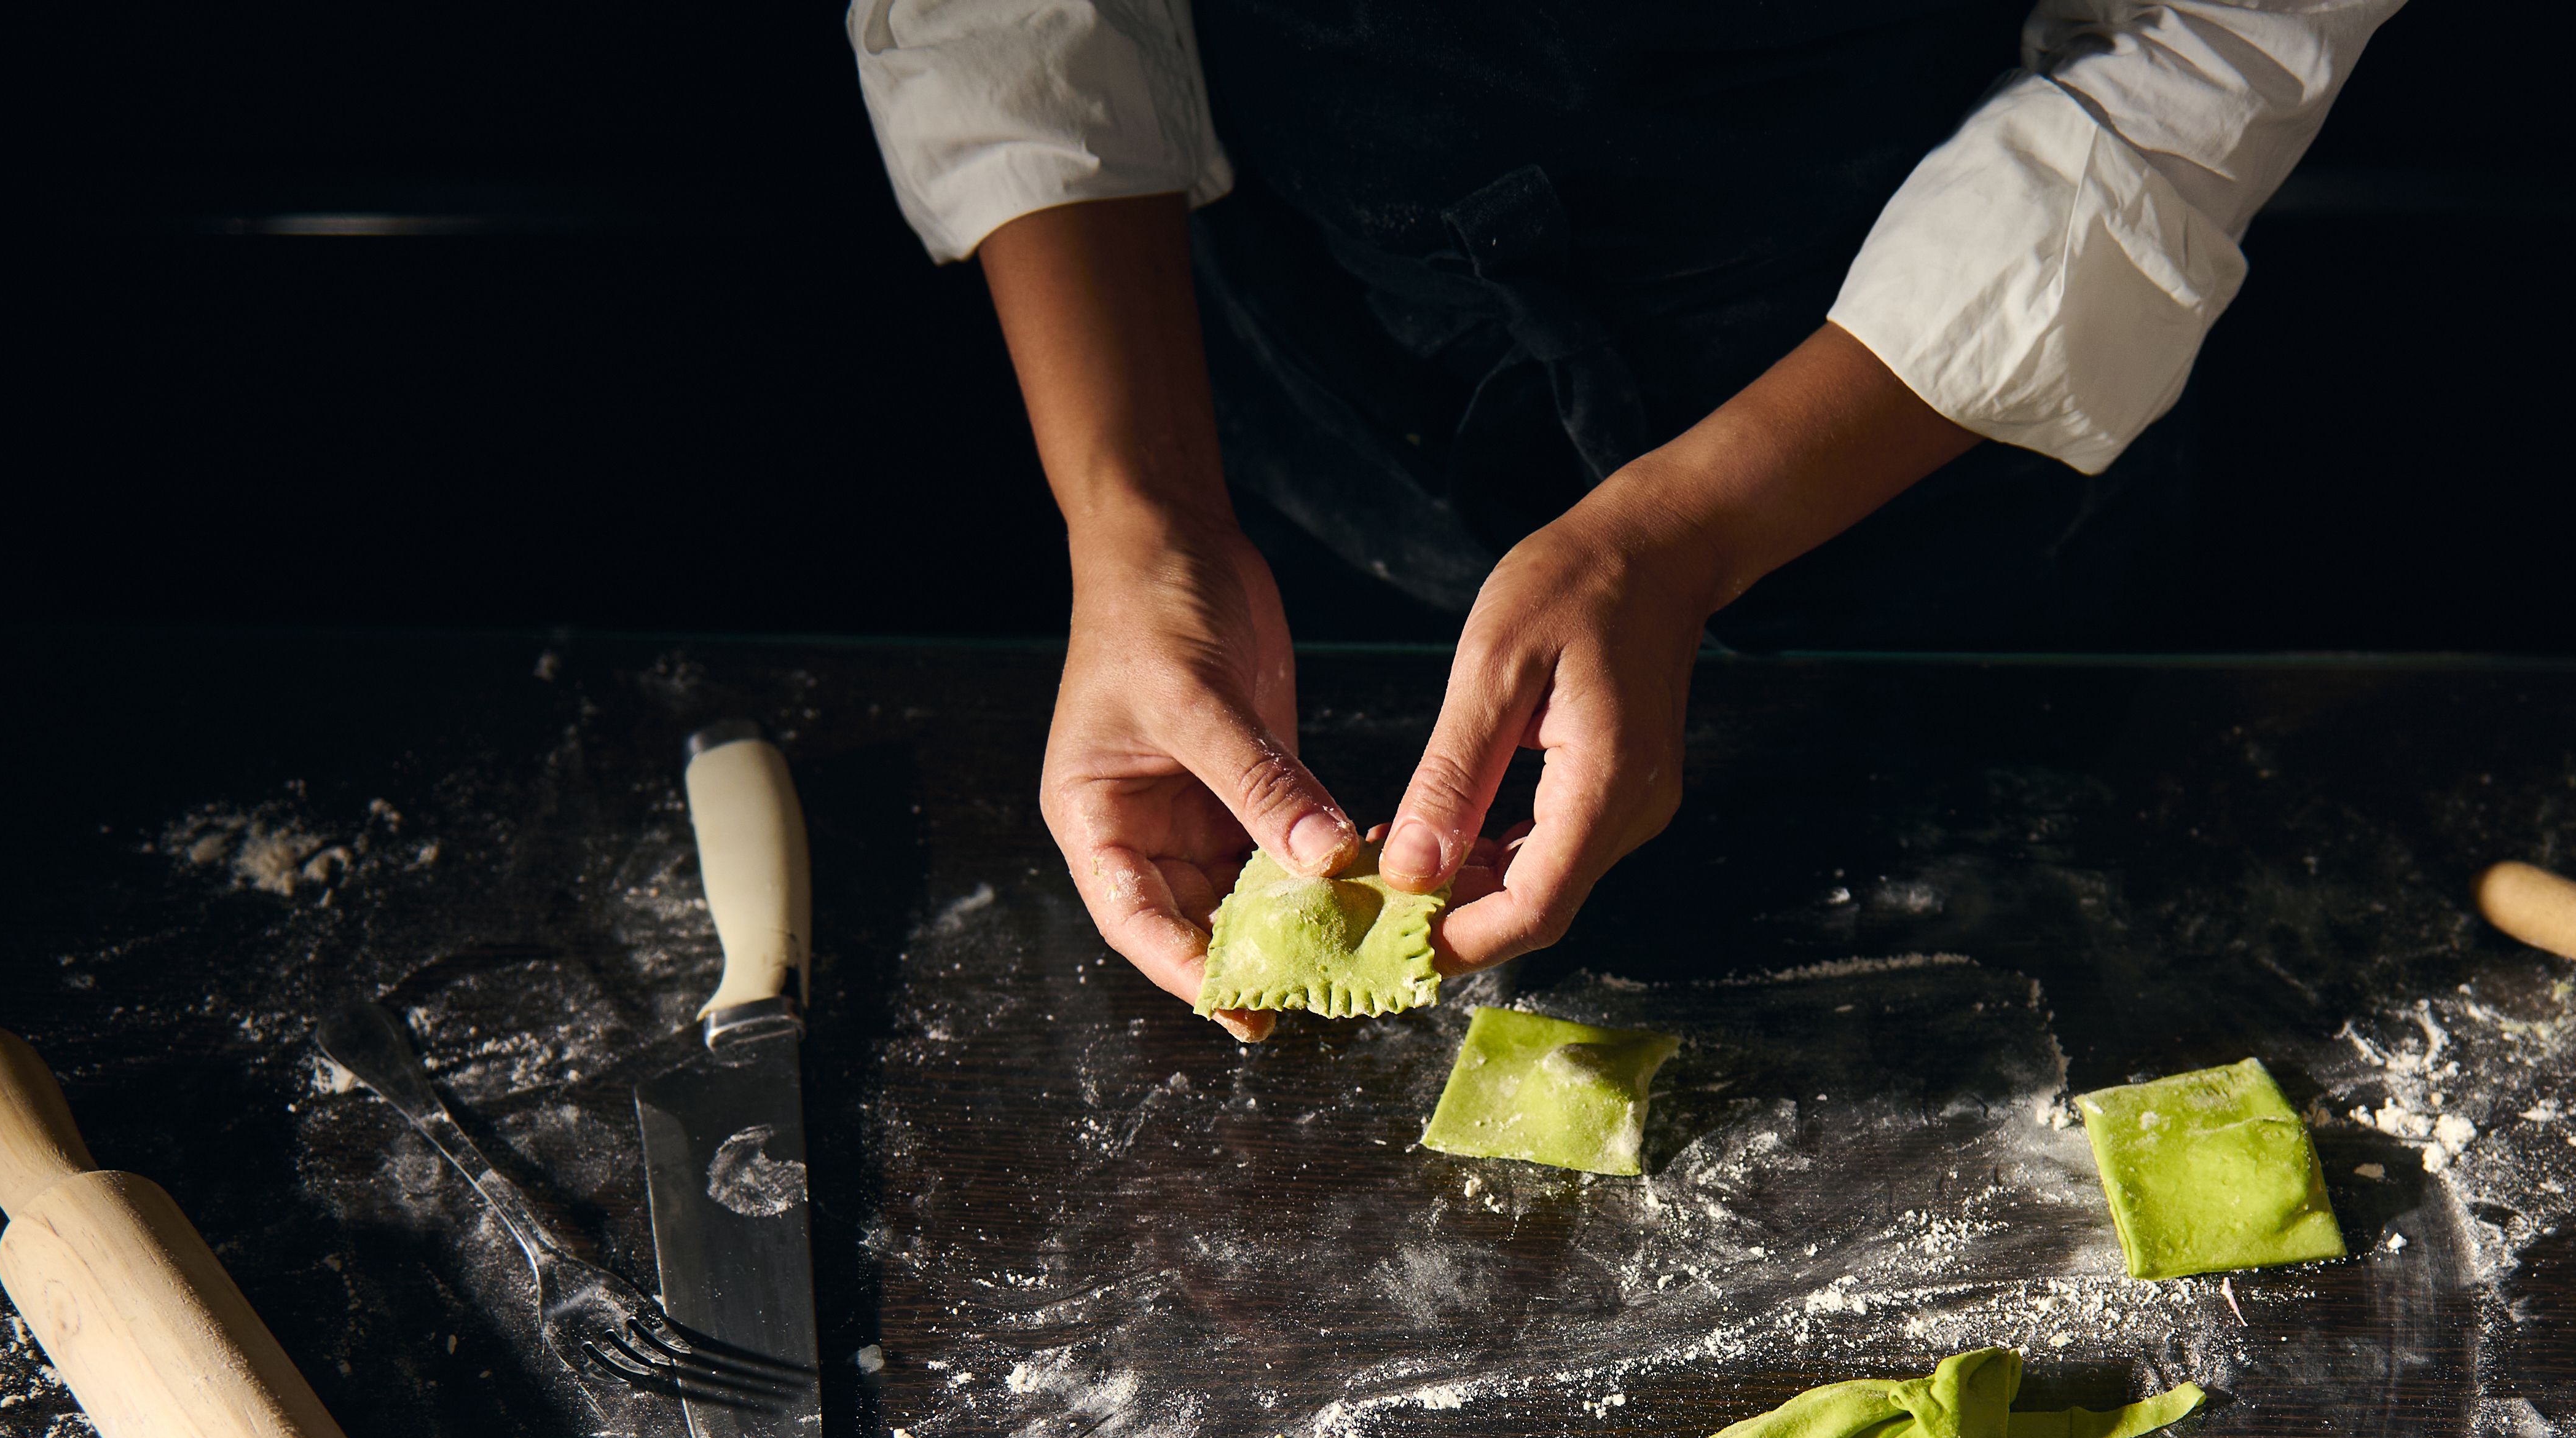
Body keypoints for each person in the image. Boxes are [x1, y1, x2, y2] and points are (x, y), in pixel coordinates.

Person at [850, 1, 2400, 1034]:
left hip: (1949, 429)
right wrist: (1140, 522)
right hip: (1318, 399)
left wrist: (1682, 530)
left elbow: (2200, 43)